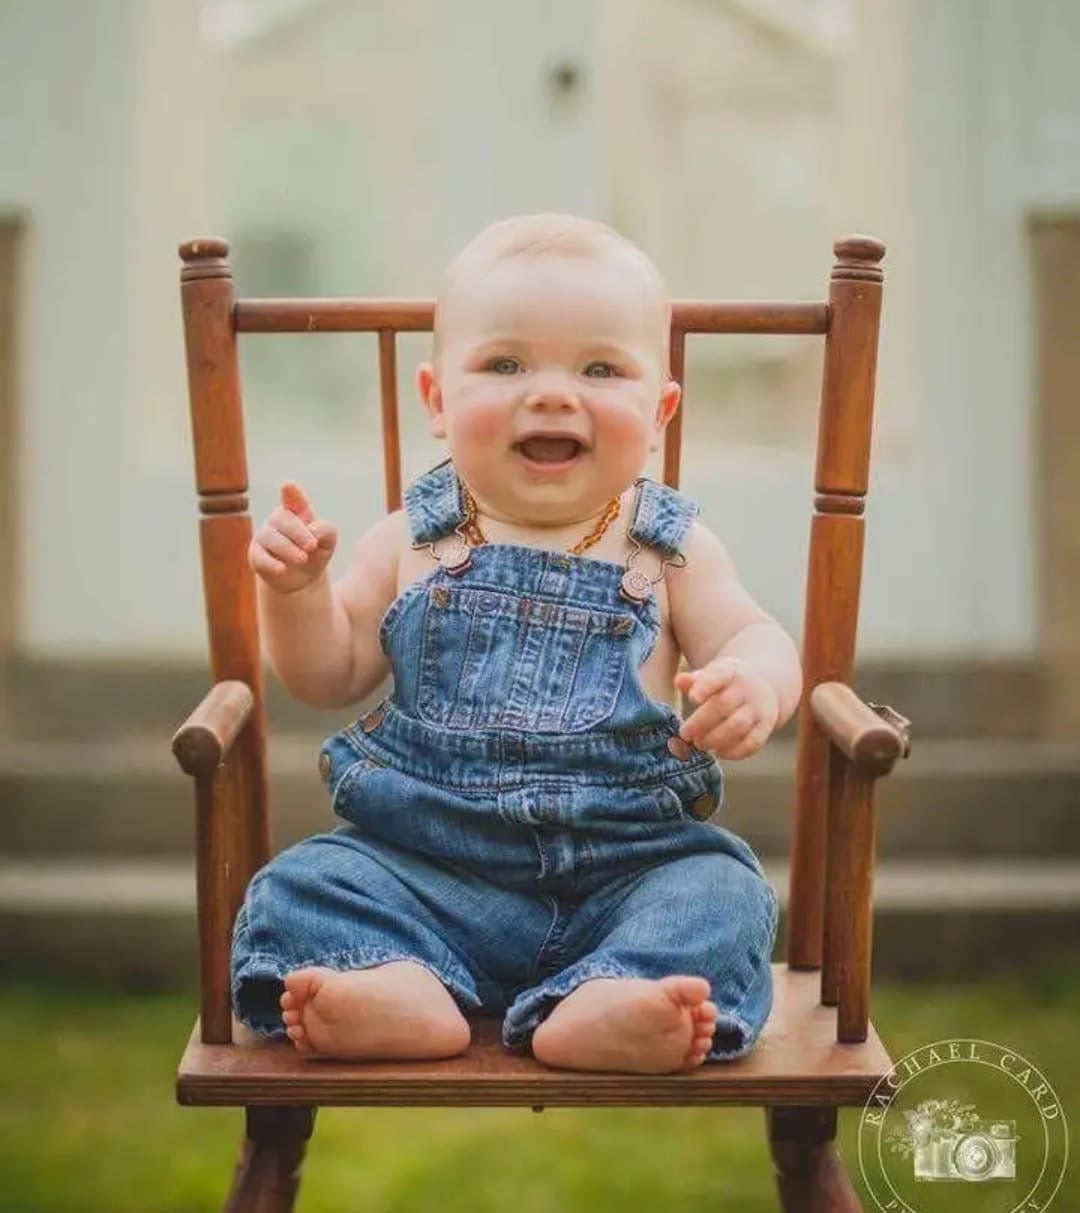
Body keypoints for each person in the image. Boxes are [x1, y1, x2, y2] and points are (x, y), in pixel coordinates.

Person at [231, 213, 802, 1075]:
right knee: (299, 886)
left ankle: (616, 996)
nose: (552, 393)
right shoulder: (410, 540)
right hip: (425, 869)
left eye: (601, 368)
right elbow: (327, 670)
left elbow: (758, 635)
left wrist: (755, 681)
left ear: (659, 410)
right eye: (505, 364)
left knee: (724, 892)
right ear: (436, 400)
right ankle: (396, 986)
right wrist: (298, 591)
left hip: (627, 870)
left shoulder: (668, 546)